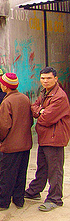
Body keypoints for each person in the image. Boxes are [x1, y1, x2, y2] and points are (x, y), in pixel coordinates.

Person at [25, 67, 70, 212]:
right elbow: (33, 106)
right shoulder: (45, 92)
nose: (45, 81)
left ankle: (55, 198)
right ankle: (35, 191)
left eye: (49, 78)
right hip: (45, 137)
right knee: (42, 166)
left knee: (55, 170)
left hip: (55, 137)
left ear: (56, 79)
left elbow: (46, 119)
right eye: (43, 78)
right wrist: (39, 110)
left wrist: (40, 112)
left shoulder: (59, 97)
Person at [0, 73, 33, 212]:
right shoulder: (25, 98)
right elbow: (30, 120)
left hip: (11, 145)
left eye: (1, 83)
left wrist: (2, 138)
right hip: (25, 144)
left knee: (7, 175)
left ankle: (2, 202)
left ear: (5, 86)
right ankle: (19, 199)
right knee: (21, 172)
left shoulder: (7, 102)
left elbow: (4, 126)